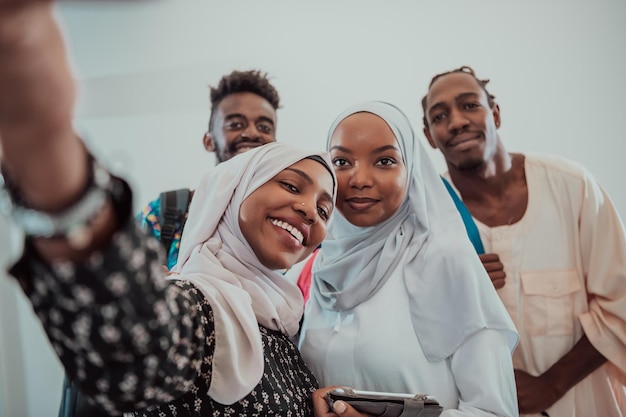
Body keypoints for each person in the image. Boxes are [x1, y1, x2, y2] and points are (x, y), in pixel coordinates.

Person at [0, 2, 370, 416]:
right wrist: (50, 155)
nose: (308, 211)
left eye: (324, 210)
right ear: (235, 189)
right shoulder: (201, 310)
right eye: (289, 184)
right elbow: (135, 342)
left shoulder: (285, 324)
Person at [421, 65, 626, 416]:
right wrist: (456, 289)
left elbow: (621, 305)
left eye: (469, 105)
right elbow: (416, 329)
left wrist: (553, 384)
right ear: (428, 136)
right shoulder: (427, 216)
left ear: (495, 114)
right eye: (440, 116)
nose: (456, 122)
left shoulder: (573, 186)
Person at [299, 101, 520, 416]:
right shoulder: (315, 269)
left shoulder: (445, 259)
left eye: (385, 160)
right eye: (342, 161)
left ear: (412, 169)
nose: (359, 178)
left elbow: (495, 412)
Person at [137, 68, 281, 270]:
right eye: (235, 124)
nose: (251, 133)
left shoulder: (286, 220)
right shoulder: (164, 211)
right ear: (209, 141)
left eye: (264, 127)